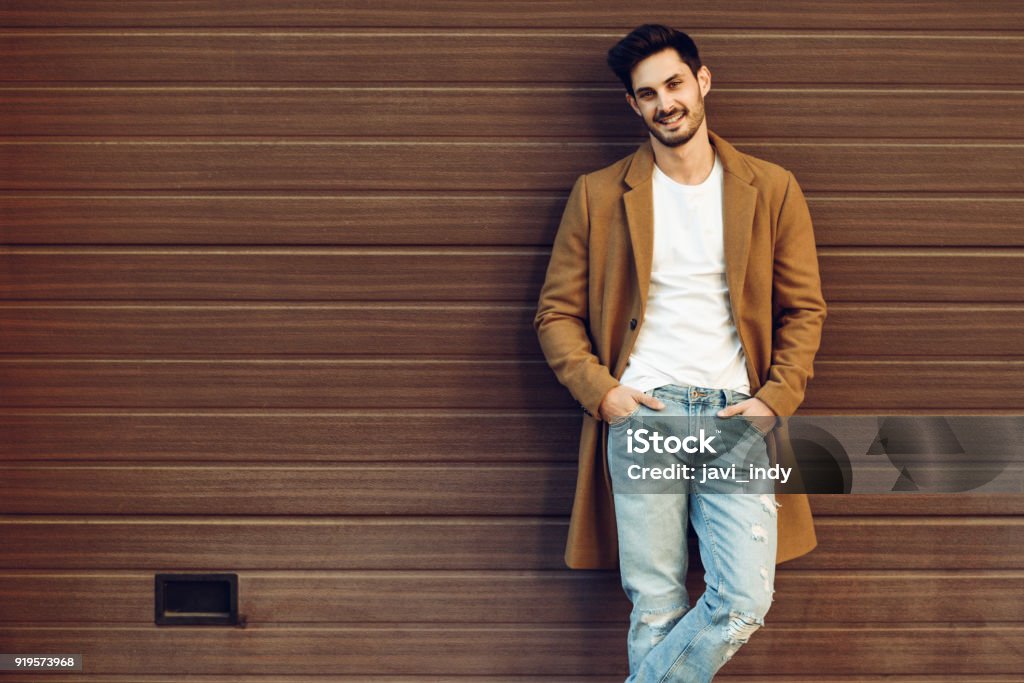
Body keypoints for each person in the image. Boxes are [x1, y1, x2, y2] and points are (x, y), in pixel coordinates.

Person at [534, 24, 827, 682]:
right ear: (632, 107)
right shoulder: (600, 193)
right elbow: (555, 313)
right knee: (657, 604)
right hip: (644, 413)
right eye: (647, 94)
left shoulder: (771, 187)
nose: (665, 102)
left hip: (735, 418)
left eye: (674, 84)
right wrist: (602, 392)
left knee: (743, 601)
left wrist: (774, 400)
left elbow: (804, 309)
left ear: (702, 81)